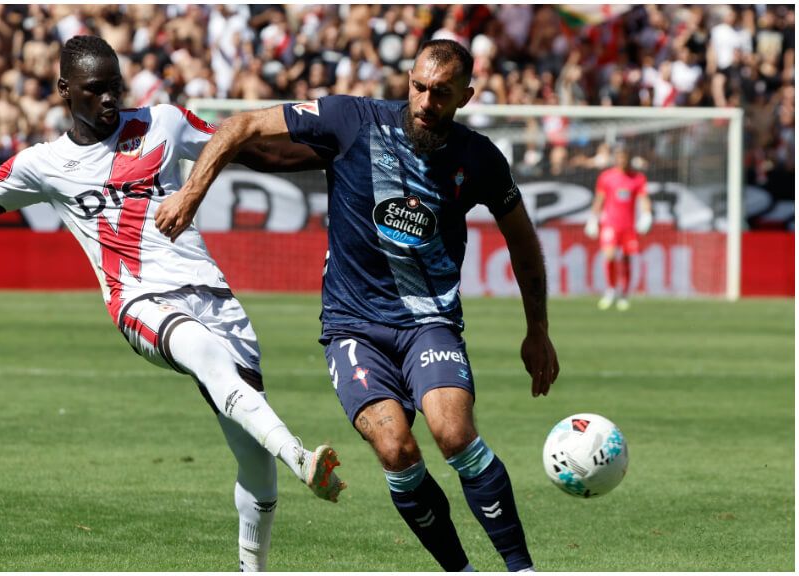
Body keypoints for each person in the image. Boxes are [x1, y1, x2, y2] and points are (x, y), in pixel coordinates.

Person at [0, 35, 344, 572]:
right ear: (64, 90)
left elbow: (249, 148)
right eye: (95, 91)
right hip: (138, 302)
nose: (109, 101)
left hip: (213, 295)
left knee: (255, 469)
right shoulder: (42, 164)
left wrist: (338, 155)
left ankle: (252, 566)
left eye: (115, 88)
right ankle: (303, 457)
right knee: (201, 353)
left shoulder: (162, 122)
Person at [157, 39, 559, 572]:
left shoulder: (479, 157)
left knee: (454, 435)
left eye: (441, 93)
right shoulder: (352, 118)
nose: (424, 102)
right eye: (418, 86)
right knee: (395, 450)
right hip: (353, 328)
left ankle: (521, 569)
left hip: (429, 321)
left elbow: (523, 241)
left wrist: (538, 330)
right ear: (407, 79)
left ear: (466, 94)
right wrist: (190, 194)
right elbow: (242, 126)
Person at [584, 145, 652, 311]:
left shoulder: (638, 178)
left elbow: (644, 198)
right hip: (610, 224)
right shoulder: (606, 177)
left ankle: (624, 294)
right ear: (615, 158)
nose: (622, 160)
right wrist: (593, 219)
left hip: (628, 225)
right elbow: (599, 199)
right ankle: (611, 289)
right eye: (619, 156)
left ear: (629, 157)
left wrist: (647, 214)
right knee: (609, 255)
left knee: (627, 258)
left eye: (625, 156)